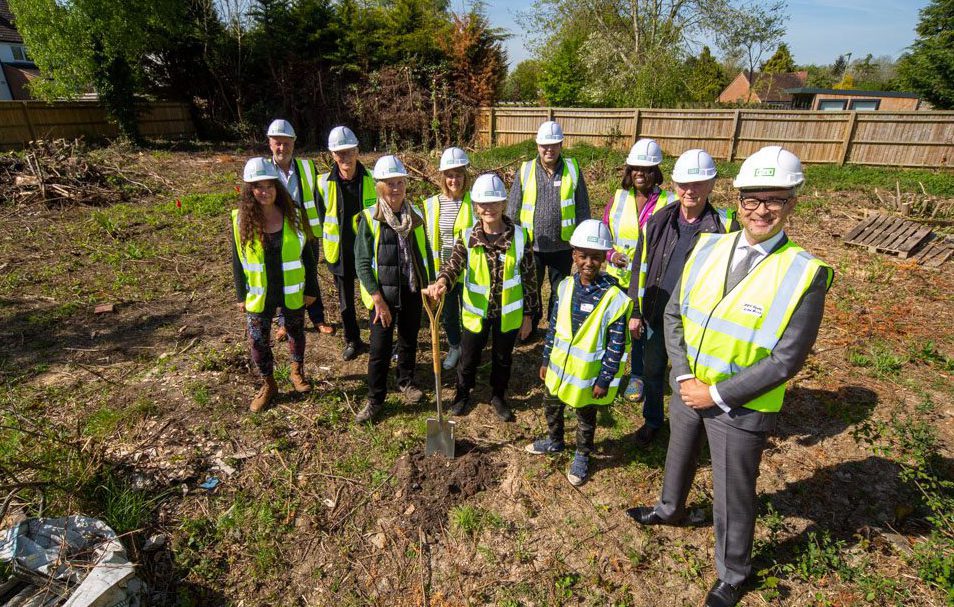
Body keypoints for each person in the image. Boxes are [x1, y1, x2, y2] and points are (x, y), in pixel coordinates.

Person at [625, 146, 833, 607]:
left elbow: (785, 360)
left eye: (774, 200)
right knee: (678, 456)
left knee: (732, 490)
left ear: (792, 202)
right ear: (738, 202)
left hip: (740, 405)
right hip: (687, 387)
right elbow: (675, 313)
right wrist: (683, 379)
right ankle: (669, 509)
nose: (761, 210)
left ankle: (733, 571)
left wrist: (715, 393)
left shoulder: (805, 273)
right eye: (752, 200)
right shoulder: (709, 246)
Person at [627, 149, 739, 448]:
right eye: (684, 184)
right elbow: (640, 265)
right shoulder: (659, 219)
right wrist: (636, 310)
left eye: (698, 183)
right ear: (675, 185)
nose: (691, 190)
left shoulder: (724, 228)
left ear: (712, 184)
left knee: (686, 379)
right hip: (655, 313)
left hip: (693, 325)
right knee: (652, 372)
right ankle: (652, 420)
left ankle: (685, 430)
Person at [526, 219, 632, 486]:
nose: (588, 262)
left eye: (596, 257)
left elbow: (616, 346)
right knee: (551, 405)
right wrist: (546, 358)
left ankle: (583, 454)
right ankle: (555, 440)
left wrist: (604, 379)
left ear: (605, 258)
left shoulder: (614, 298)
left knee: (585, 417)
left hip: (587, 377)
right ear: (573, 255)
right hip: (558, 370)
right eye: (583, 255)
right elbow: (553, 328)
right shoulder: (564, 287)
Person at [423, 174, 537, 422]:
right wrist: (442, 282)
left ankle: (498, 395)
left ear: (503, 204)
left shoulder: (520, 236)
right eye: (483, 204)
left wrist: (529, 315)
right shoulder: (467, 237)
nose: (489, 209)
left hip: (507, 313)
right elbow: (453, 265)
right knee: (468, 357)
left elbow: (530, 279)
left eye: (494, 203)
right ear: (476, 207)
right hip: (476, 312)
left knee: (502, 358)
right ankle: (463, 394)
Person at [232, 158, 317, 412]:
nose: (265, 191)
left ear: (278, 187)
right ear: (250, 190)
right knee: (257, 341)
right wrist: (240, 295)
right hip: (260, 294)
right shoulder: (240, 221)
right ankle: (268, 384)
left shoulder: (295, 215)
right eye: (258, 186)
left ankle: (297, 372)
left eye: (270, 185)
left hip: (291, 289)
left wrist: (312, 289)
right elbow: (237, 260)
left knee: (295, 332)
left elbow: (308, 255)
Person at [353, 155, 434, 423]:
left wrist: (430, 285)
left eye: (400, 182)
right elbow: (362, 262)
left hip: (411, 291)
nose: (396, 188)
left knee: (409, 340)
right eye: (390, 183)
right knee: (379, 350)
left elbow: (425, 255)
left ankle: (406, 381)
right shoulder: (371, 217)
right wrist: (377, 298)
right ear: (379, 186)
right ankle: (375, 399)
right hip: (383, 298)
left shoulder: (415, 216)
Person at [603, 138, 676, 404]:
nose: (640, 174)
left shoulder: (670, 202)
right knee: (615, 326)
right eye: (635, 169)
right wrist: (611, 254)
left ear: (656, 172)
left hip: (649, 280)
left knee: (640, 329)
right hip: (617, 277)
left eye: (646, 170)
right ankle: (609, 369)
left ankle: (637, 375)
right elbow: (604, 234)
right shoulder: (619, 198)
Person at [507, 120, 590, 339]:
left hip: (562, 246)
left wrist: (583, 243)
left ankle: (554, 331)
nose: (549, 149)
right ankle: (530, 329)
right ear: (537, 146)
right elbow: (513, 208)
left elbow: (582, 207)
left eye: (554, 144)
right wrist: (512, 241)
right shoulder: (525, 171)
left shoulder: (572, 169)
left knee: (559, 291)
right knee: (530, 290)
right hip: (530, 246)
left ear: (561, 145)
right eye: (545, 145)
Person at [263, 119, 334, 339]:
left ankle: (318, 317)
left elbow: (319, 197)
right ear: (270, 143)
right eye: (277, 143)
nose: (282, 148)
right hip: (279, 231)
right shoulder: (264, 169)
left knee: (310, 273)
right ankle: (285, 322)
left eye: (286, 143)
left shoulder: (307, 167)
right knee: (286, 276)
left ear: (294, 143)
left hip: (307, 229)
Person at [314, 125, 378, 361]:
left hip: (368, 252)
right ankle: (353, 340)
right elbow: (321, 218)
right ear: (332, 155)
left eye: (349, 151)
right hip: (339, 252)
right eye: (339, 153)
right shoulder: (322, 184)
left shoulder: (373, 178)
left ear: (357, 151)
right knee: (345, 302)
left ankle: (378, 339)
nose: (345, 158)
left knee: (372, 297)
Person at [421, 147, 476, 370]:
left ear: (466, 176)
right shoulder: (431, 204)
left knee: (471, 314)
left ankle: (471, 348)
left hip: (470, 271)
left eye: (459, 174)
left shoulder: (475, 202)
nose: (455, 180)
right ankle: (455, 346)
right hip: (442, 272)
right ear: (443, 177)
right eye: (450, 175)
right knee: (449, 314)